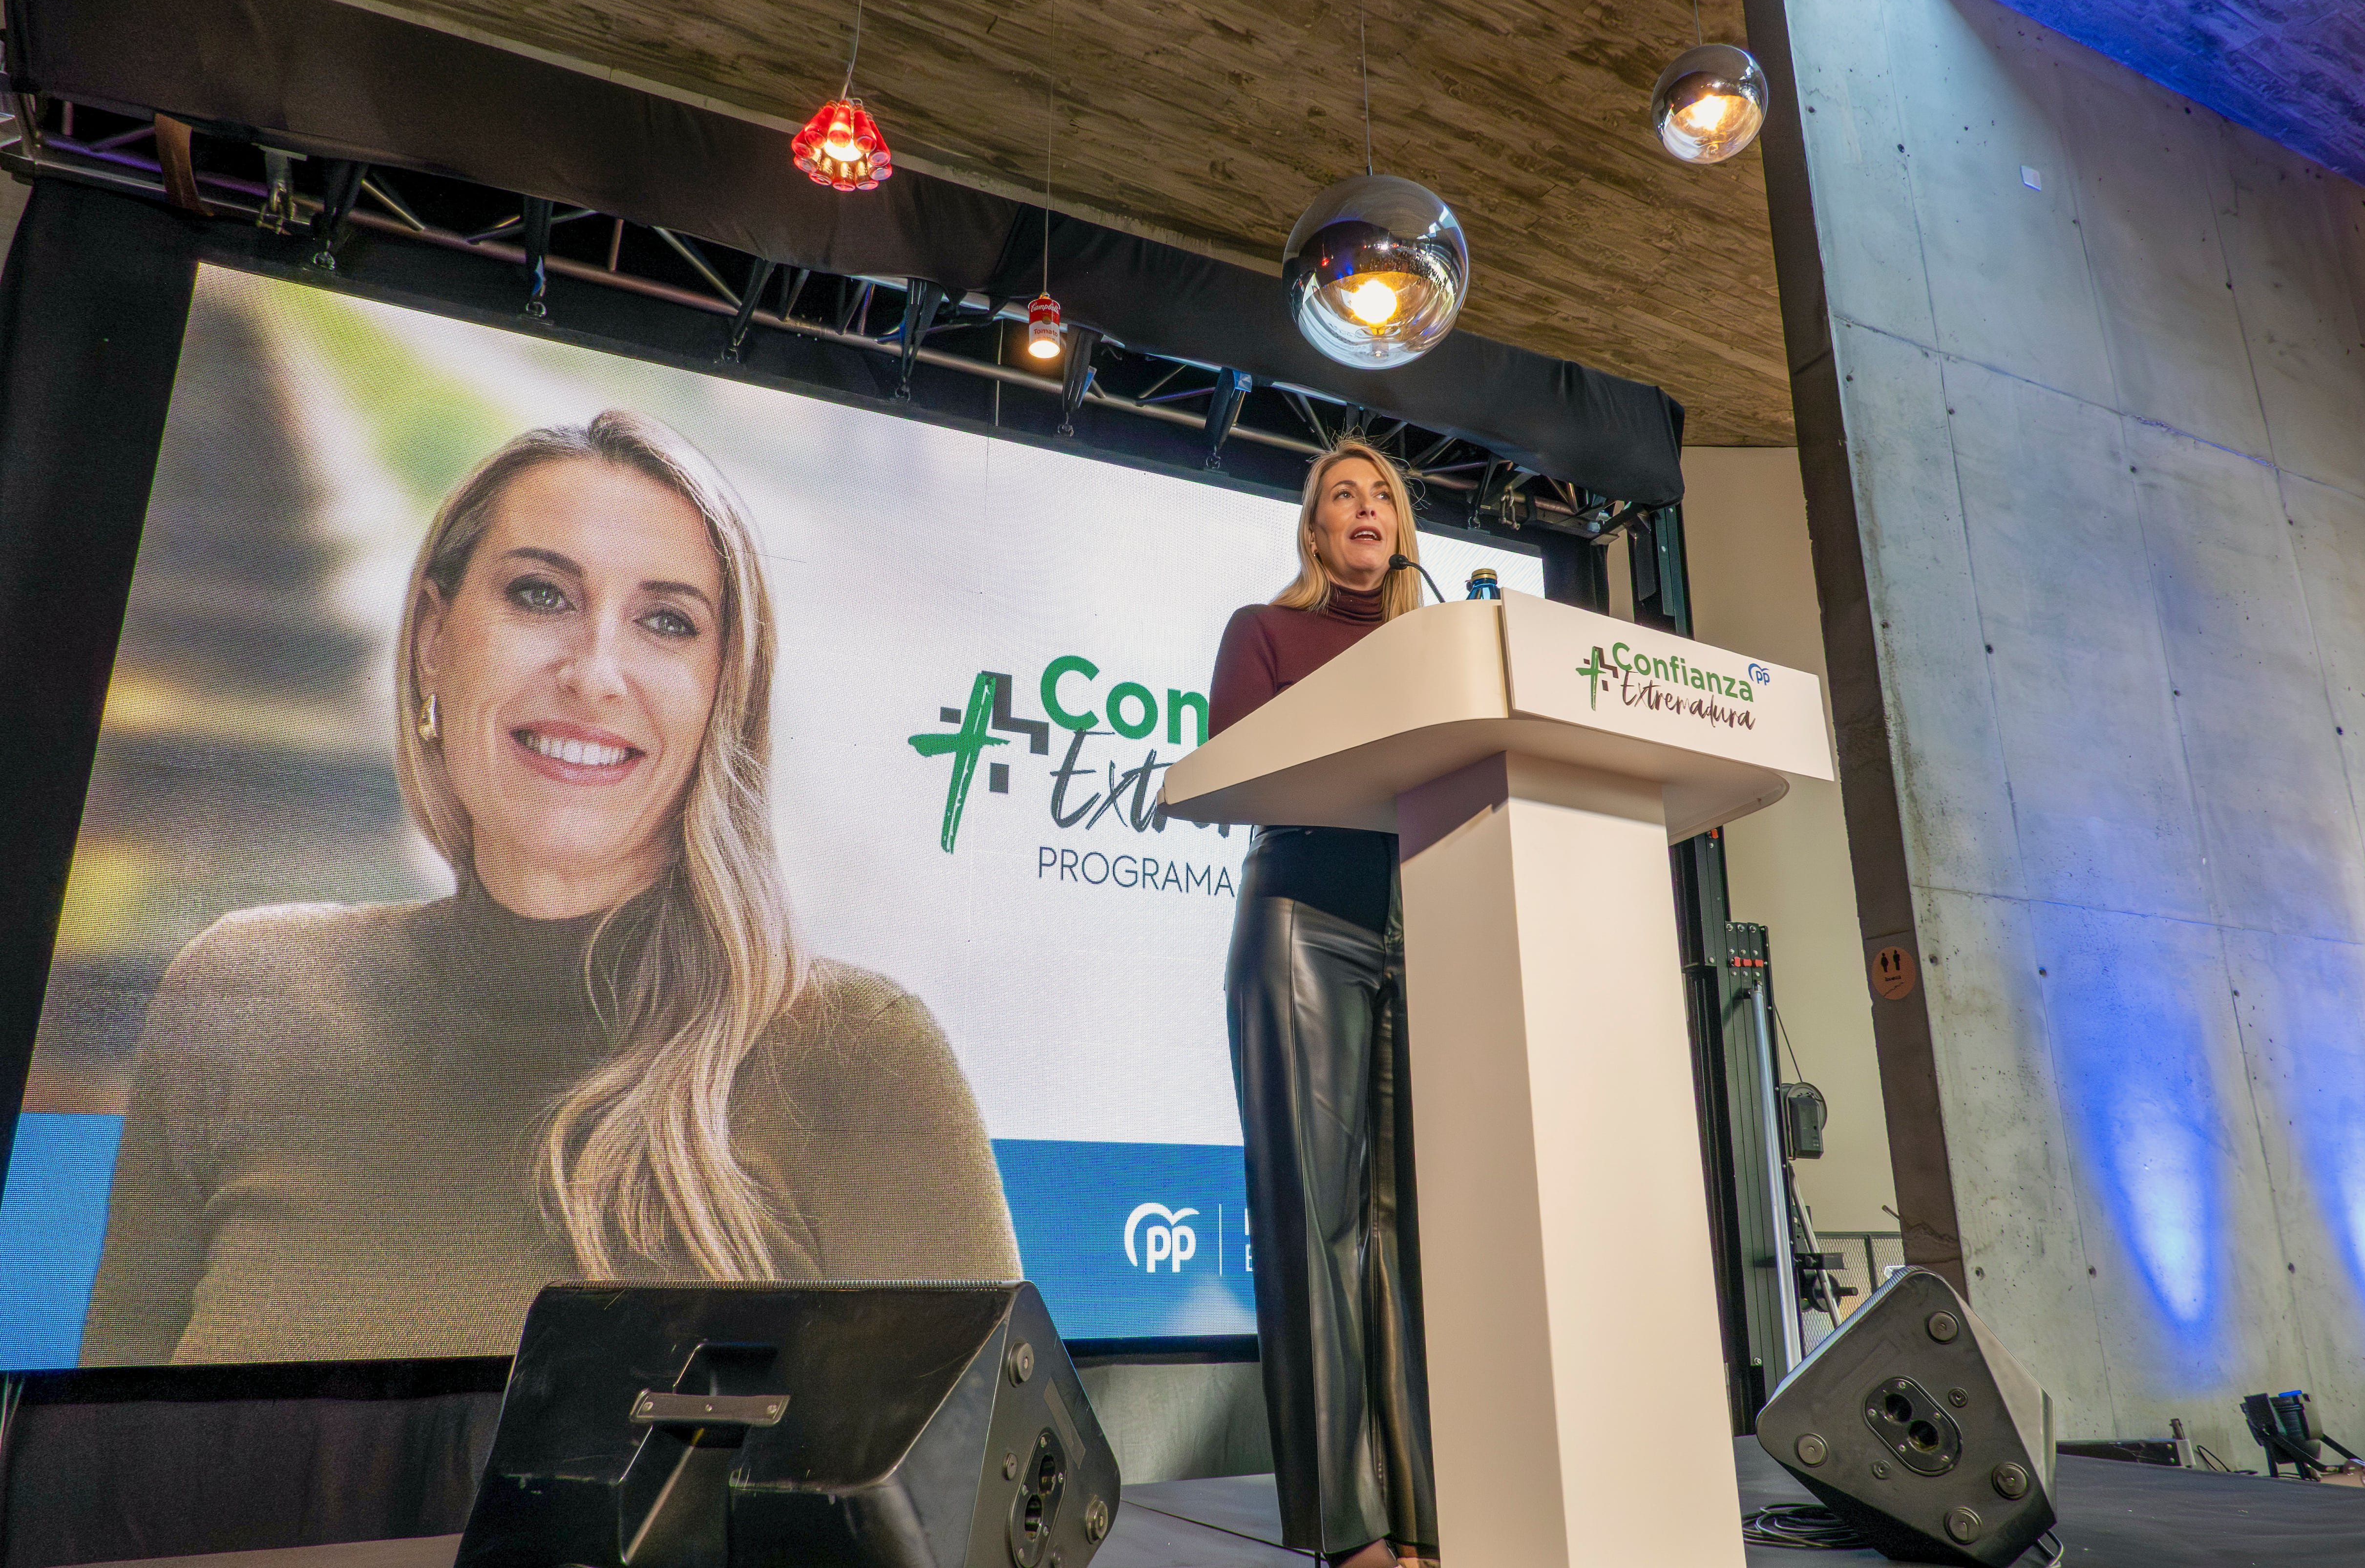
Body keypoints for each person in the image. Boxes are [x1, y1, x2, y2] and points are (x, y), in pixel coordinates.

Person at [81, 412, 1018, 1366]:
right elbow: (85, 1476)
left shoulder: (858, 1057)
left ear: (721, 695)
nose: (594, 673)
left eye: (666, 621)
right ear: (434, 639)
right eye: (540, 594)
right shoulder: (240, 993)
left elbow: (976, 1499)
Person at [1208, 439, 1437, 1568]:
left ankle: (1428, 1518)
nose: (1365, 505)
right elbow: (1236, 763)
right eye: (1342, 492)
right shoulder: (1267, 630)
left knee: (1412, 1235)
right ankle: (1351, 1534)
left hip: (1431, 930)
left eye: (1382, 491)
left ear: (1402, 524)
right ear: (1314, 528)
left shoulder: (1440, 646)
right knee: (1319, 1225)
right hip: (1305, 918)